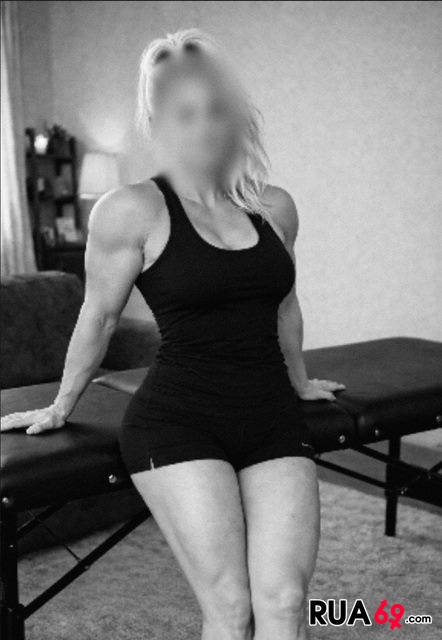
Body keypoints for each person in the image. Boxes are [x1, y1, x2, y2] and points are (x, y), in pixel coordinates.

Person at [1, 29, 345, 640]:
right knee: (231, 609)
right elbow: (98, 317)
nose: (204, 127)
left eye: (215, 109)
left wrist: (300, 381)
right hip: (178, 421)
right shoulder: (131, 209)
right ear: (157, 120)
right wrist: (60, 405)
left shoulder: (274, 207)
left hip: (269, 414)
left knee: (287, 601)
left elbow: (285, 302)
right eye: (185, 113)